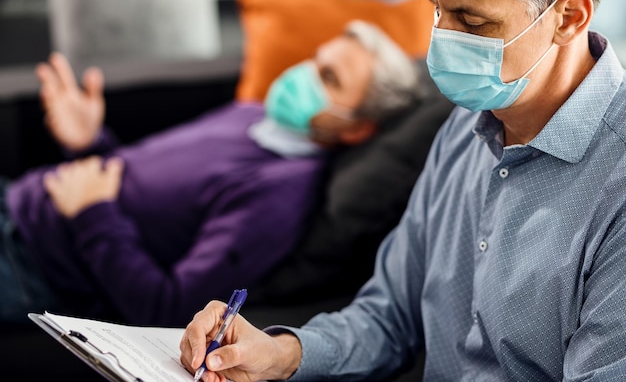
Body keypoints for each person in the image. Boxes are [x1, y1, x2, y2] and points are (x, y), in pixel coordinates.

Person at [180, 0, 626, 381]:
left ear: (568, 17)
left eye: (472, 23)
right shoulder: (464, 125)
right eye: (437, 9)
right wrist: (279, 355)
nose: (442, 42)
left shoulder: (615, 187)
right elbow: (387, 317)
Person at [0, 20, 420, 326]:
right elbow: (143, 199)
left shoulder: (277, 198)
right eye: (315, 61)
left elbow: (169, 307)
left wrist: (92, 214)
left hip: (29, 264)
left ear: (358, 127)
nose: (304, 76)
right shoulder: (251, 115)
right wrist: (89, 143)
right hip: (16, 198)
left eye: (329, 79)